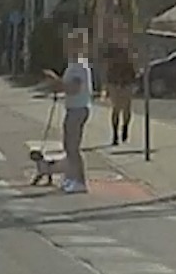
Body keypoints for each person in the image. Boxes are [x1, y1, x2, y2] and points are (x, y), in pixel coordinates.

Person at [42, 28, 94, 194]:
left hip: (78, 108)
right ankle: (71, 177)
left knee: (73, 146)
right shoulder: (74, 65)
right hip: (74, 107)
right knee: (68, 145)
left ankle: (80, 181)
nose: (68, 48)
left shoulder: (79, 65)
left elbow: (74, 88)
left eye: (72, 44)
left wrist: (56, 81)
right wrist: (57, 84)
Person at [104, 41, 137, 146]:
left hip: (127, 82)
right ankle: (115, 134)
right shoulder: (112, 51)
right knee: (116, 108)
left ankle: (125, 128)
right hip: (114, 82)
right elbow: (108, 69)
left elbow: (132, 69)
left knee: (126, 108)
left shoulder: (129, 53)